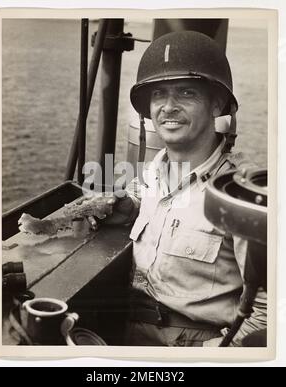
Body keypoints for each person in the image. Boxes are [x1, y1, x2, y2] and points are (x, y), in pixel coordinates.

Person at [86, 31, 267, 347]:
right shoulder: (156, 169)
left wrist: (211, 356)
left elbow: (269, 314)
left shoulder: (239, 195)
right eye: (159, 94)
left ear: (216, 104)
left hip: (195, 344)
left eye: (186, 93)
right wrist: (128, 205)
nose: (168, 107)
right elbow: (151, 199)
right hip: (131, 326)